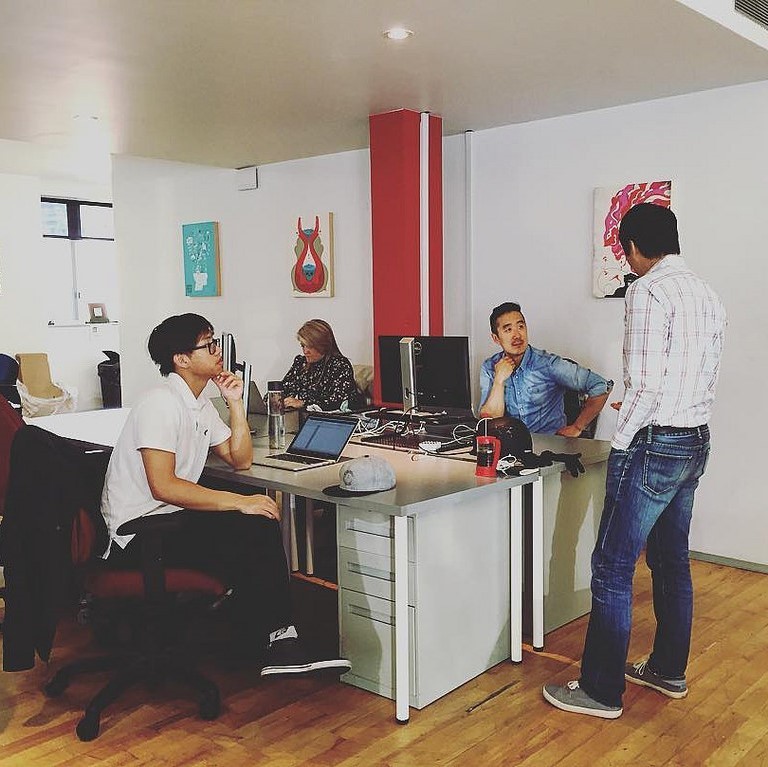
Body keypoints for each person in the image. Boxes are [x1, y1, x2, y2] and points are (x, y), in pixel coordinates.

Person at [543, 203, 726, 718]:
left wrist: (621, 444)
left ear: (633, 248)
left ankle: (600, 690)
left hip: (651, 444)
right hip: (694, 439)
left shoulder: (646, 291)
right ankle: (668, 671)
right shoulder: (708, 295)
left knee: (612, 565)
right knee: (671, 561)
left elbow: (644, 382)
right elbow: (695, 376)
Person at [100, 313, 350, 676]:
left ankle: (262, 639)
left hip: (166, 519)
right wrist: (240, 502)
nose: (218, 351)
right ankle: (277, 641)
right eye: (209, 345)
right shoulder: (160, 403)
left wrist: (234, 401)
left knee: (253, 520)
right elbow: (164, 486)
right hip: (138, 535)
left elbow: (240, 457)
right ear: (181, 359)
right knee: (253, 523)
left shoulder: (198, 403)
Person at [478, 302, 611, 436]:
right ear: (496, 338)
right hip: (511, 447)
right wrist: (499, 380)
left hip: (549, 445)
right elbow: (489, 422)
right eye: (508, 330)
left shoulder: (548, 364)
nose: (517, 335)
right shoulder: (490, 367)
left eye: (521, 326)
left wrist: (577, 427)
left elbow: (600, 386)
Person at [281, 319, 358, 410]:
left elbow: (337, 402)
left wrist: (303, 403)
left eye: (310, 346)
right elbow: (281, 390)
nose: (305, 351)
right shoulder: (300, 363)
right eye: (303, 346)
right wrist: (277, 400)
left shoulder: (340, 365)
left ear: (323, 345)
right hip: (303, 418)